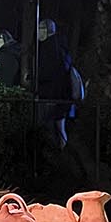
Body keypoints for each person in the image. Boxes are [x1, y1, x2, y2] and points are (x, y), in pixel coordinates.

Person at [36, 18, 76, 146]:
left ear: (46, 30)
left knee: (48, 129)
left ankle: (52, 153)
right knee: (60, 129)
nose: (37, 32)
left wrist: (34, 77)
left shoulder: (48, 49)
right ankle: (62, 152)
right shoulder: (62, 46)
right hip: (62, 95)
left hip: (49, 94)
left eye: (39, 28)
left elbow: (46, 72)